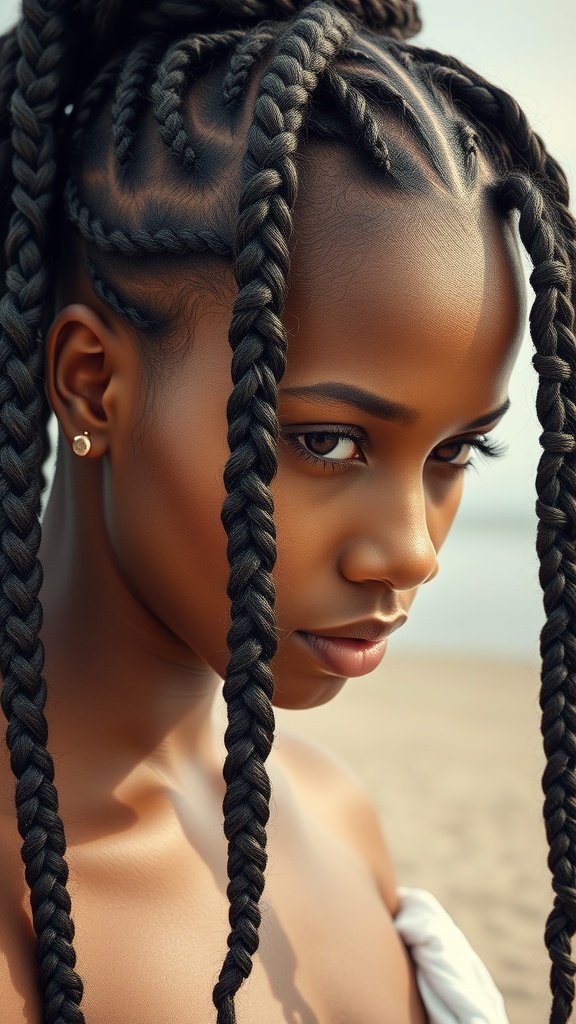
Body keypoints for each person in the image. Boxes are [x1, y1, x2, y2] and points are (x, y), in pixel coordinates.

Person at [0, 1, 573, 1022]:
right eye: (324, 441)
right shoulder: (20, 913)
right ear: (93, 385)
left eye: (455, 451)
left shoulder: (337, 816)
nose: (411, 551)